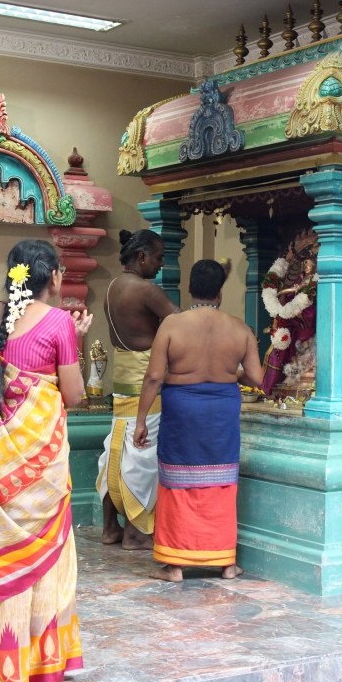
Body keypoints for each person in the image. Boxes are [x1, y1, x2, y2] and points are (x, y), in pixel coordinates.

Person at [0, 239, 92, 682]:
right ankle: (32, 665)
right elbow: (75, 396)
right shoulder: (61, 322)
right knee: (40, 551)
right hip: (39, 467)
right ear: (56, 278)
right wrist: (77, 343)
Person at [132, 259, 262, 582]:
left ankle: (175, 565)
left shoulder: (172, 327)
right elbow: (257, 378)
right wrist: (228, 372)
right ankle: (227, 563)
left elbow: (153, 378)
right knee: (221, 481)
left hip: (182, 410)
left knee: (179, 481)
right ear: (220, 292)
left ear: (190, 289)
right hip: (222, 413)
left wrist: (140, 420)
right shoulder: (240, 329)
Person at [96, 229, 179, 550]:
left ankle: (110, 529)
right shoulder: (145, 289)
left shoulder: (112, 286)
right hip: (147, 379)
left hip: (122, 378)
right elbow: (179, 323)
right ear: (142, 257)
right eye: (158, 257)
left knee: (115, 451)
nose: (160, 264)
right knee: (142, 455)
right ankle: (135, 532)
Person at [260, 254, 317, 395]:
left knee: (306, 348)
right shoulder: (300, 279)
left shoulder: (315, 281)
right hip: (294, 319)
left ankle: (306, 373)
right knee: (284, 350)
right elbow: (291, 294)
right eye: (304, 263)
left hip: (308, 319)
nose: (306, 266)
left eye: (309, 263)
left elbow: (311, 299)